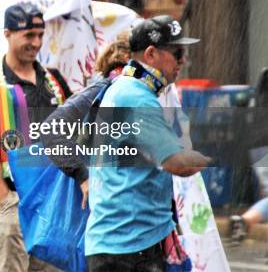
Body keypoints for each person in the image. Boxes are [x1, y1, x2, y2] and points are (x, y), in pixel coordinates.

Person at [84, 15, 211, 272]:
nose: (183, 60)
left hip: (119, 243)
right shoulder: (136, 97)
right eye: (177, 52)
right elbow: (177, 163)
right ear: (151, 54)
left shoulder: (122, 88)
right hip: (129, 249)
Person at [0, 2, 72, 271]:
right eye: (28, 35)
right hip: (13, 203)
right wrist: (6, 201)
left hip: (52, 206)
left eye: (40, 35)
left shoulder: (55, 81)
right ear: (7, 34)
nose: (36, 42)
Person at [41, 31, 132, 209]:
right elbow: (50, 129)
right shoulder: (104, 89)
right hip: (96, 206)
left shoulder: (131, 92)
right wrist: (82, 175)